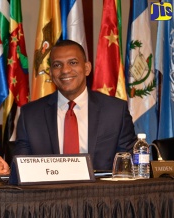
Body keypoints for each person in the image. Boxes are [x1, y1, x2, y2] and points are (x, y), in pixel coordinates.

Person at [13, 40, 137, 171]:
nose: (65, 70)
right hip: (49, 191)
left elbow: (129, 166)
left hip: (101, 190)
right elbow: (22, 168)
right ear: (50, 72)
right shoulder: (30, 115)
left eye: (73, 63)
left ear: (87, 68)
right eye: (57, 65)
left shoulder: (115, 111)